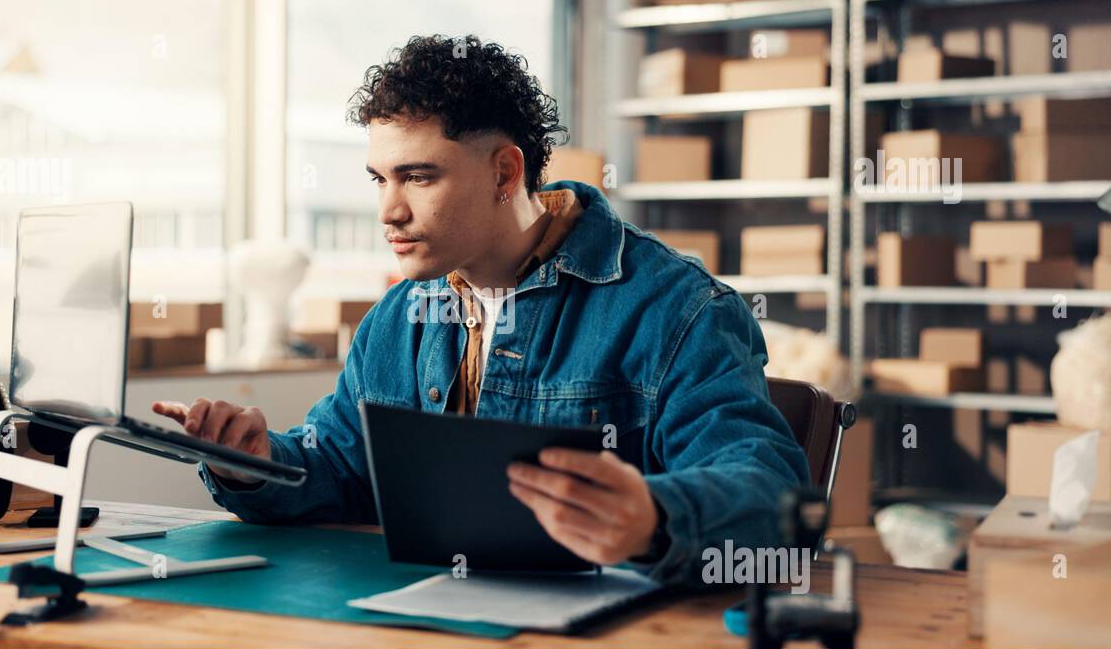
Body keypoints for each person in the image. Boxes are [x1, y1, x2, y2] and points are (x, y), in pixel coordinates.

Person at [153, 34, 809, 586]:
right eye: (380, 179)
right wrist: (255, 460)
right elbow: (340, 467)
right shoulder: (398, 317)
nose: (388, 211)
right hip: (423, 618)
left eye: (419, 176)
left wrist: (654, 517)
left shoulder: (679, 309)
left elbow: (775, 502)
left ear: (503, 173)